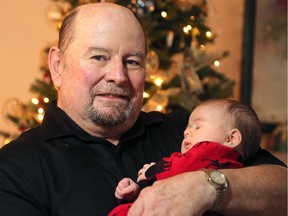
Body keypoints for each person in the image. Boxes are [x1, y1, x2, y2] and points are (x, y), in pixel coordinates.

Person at [0, 2, 286, 216]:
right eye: (99, 56)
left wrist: (206, 187)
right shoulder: (15, 167)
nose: (119, 76)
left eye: (133, 62)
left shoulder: (188, 130)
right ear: (58, 67)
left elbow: (282, 187)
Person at [109, 99, 260, 216]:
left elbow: (181, 166)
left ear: (231, 138)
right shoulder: (231, 165)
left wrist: (152, 171)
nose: (186, 132)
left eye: (197, 127)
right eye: (187, 127)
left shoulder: (212, 151)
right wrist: (138, 191)